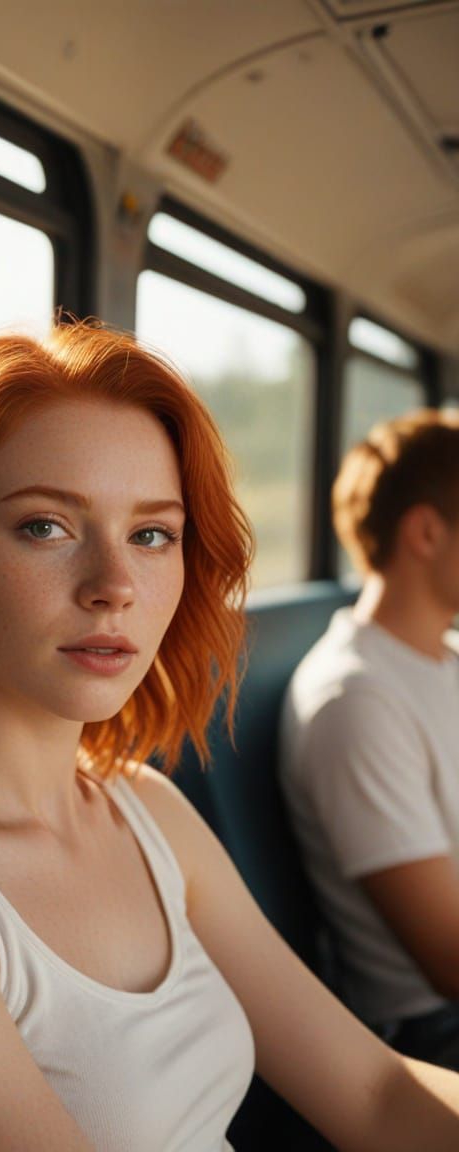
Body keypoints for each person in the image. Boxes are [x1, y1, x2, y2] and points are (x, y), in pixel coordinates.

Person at [0, 326, 459, 1152]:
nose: (114, 587)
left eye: (151, 534)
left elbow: (376, 1092)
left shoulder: (144, 806)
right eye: (45, 528)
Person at [279, 409, 459, 1072]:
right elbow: (447, 962)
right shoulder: (354, 700)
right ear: (427, 531)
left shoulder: (444, 657)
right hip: (430, 1028)